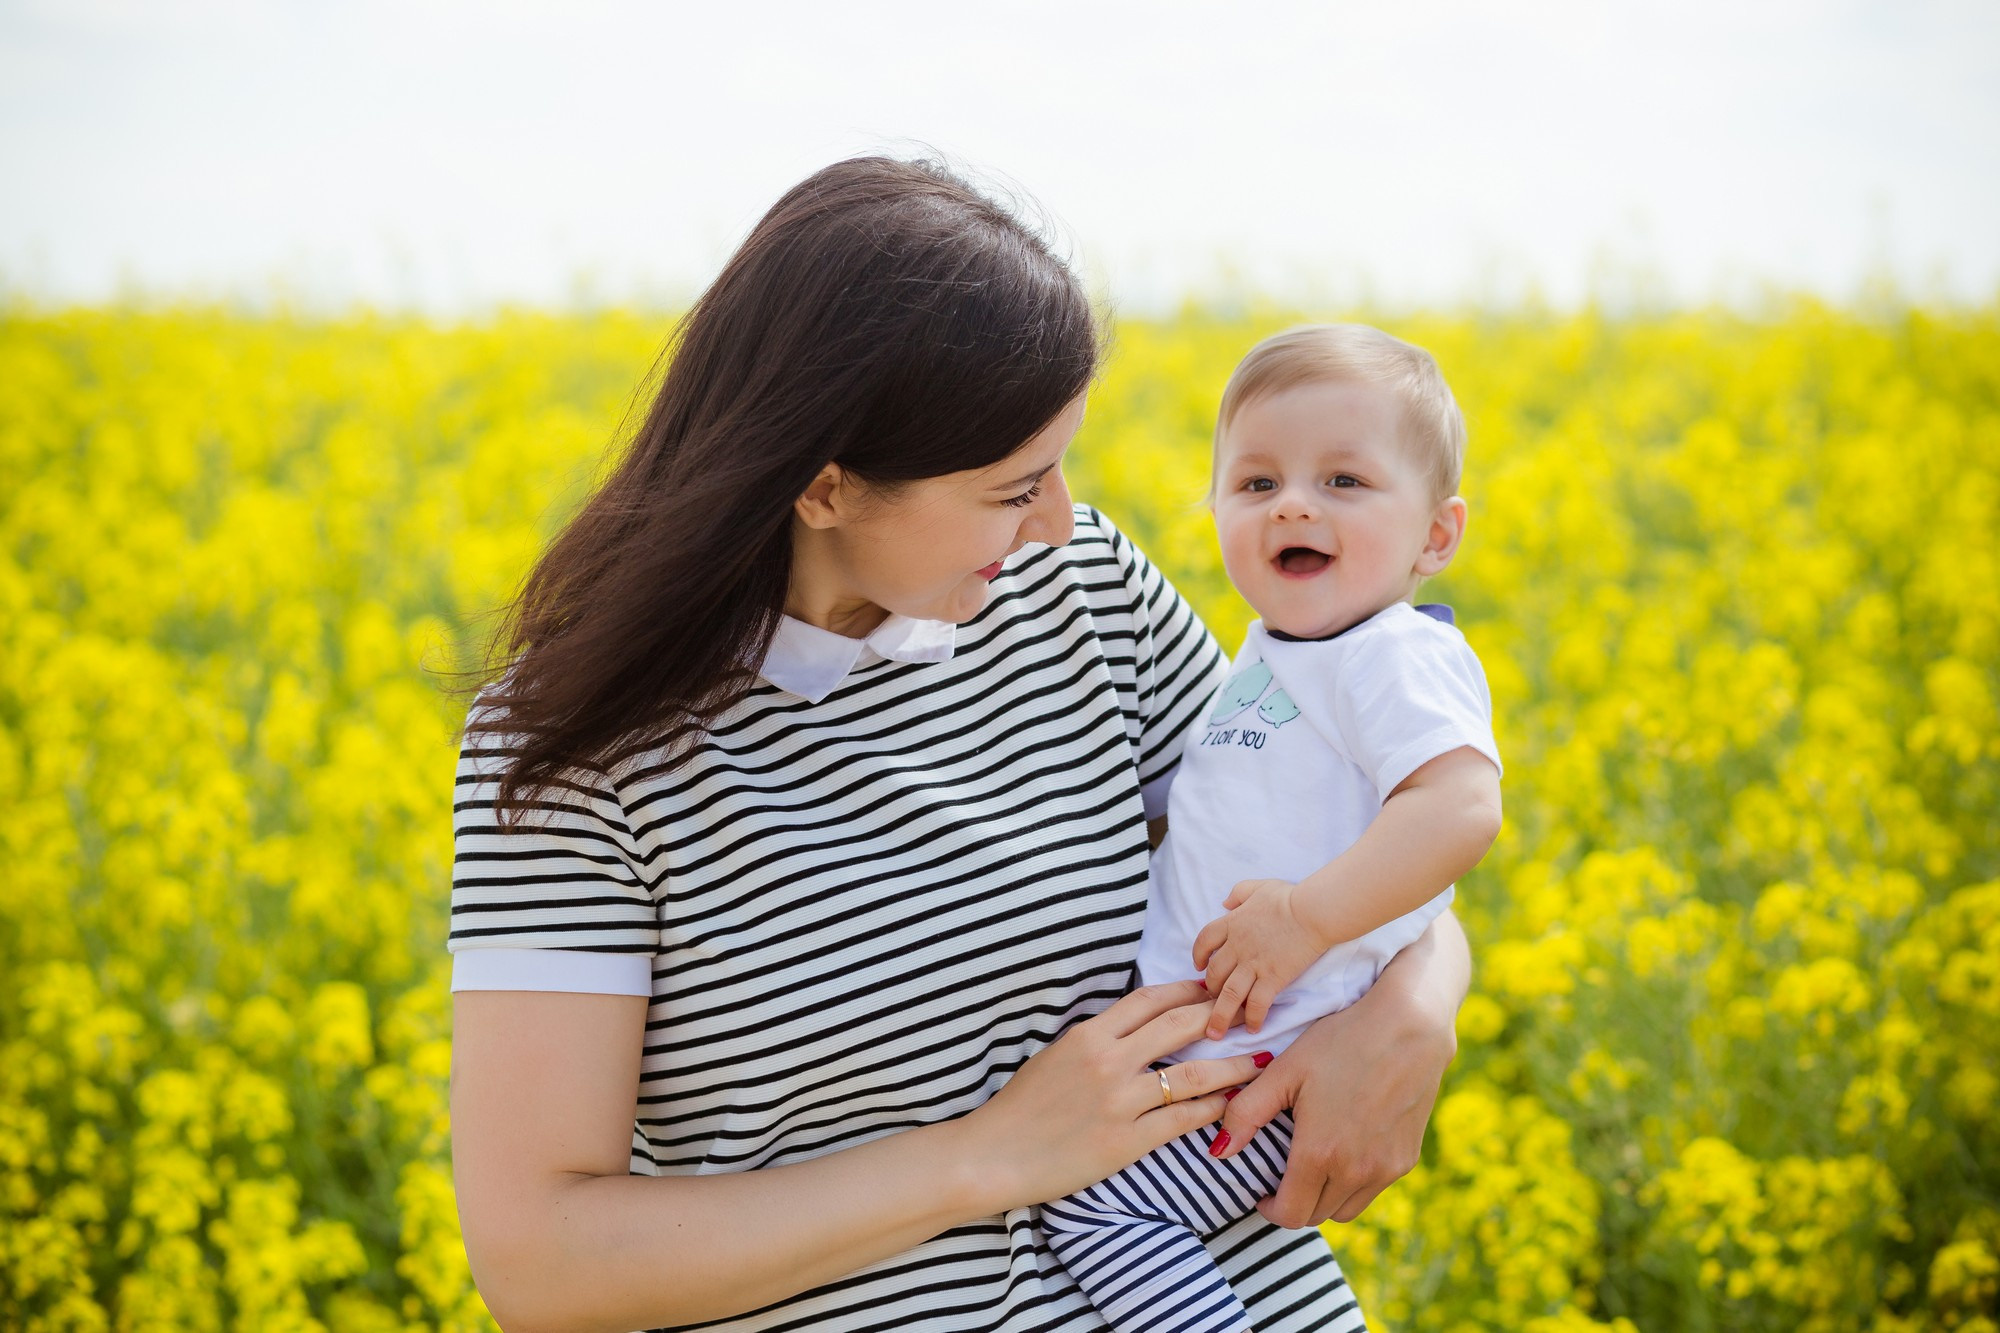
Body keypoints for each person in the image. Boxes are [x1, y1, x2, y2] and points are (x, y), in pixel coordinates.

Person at [447, 156, 1471, 1333]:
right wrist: (984, 1157)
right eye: (1010, 488)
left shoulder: (1085, 591)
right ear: (823, 488)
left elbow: (1363, 849)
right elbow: (540, 1265)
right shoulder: (581, 759)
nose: (1057, 521)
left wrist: (1413, 1014)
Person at [1039, 325, 1504, 1333]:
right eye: (1256, 483)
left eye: (1344, 481)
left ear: (1435, 537)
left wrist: (1304, 918)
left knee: (1101, 1210)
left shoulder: (1390, 653)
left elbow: (1460, 806)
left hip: (1280, 1058)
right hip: (1236, 1043)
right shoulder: (1271, 657)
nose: (1292, 503)